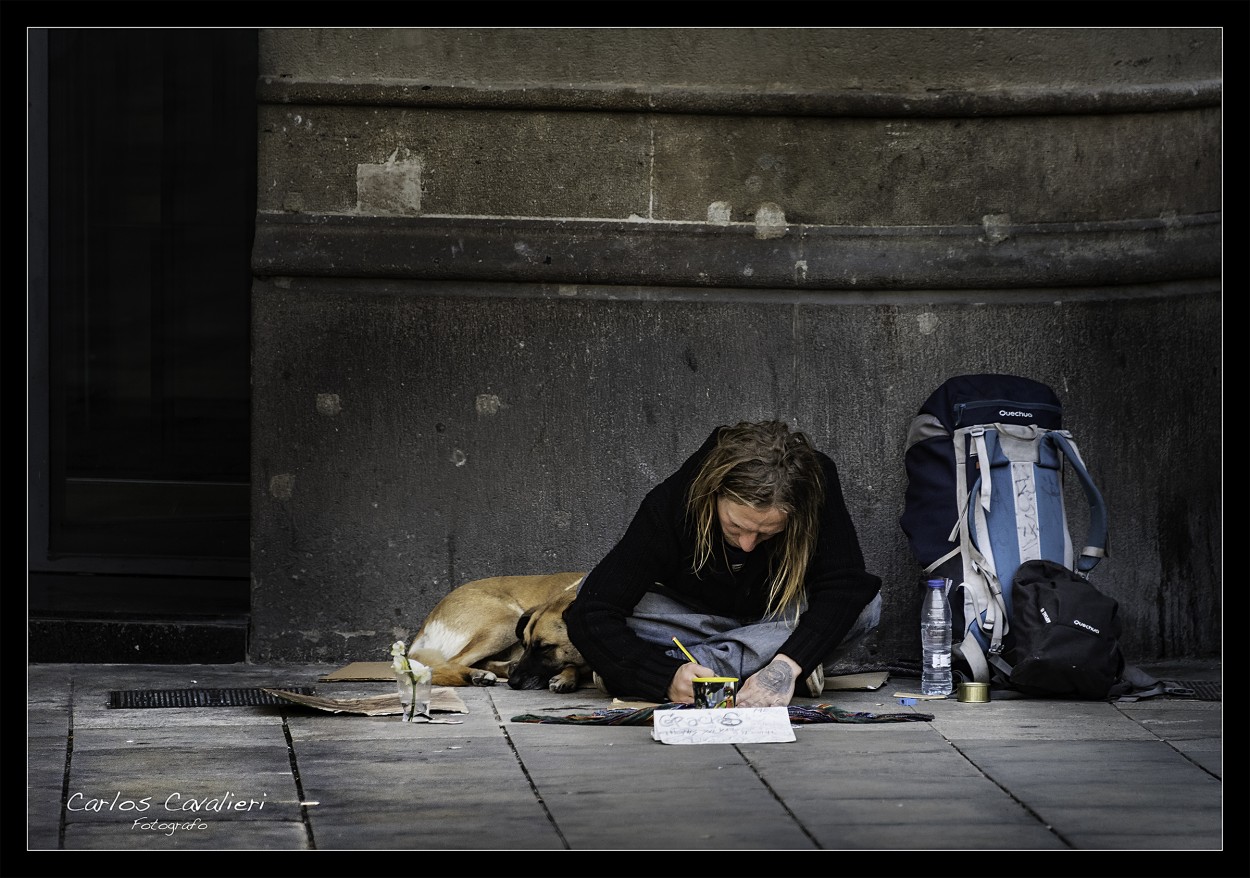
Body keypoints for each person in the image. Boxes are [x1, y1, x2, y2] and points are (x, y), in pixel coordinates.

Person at [564, 419, 883, 708]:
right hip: (692, 622)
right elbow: (592, 612)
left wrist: (786, 666)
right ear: (713, 494)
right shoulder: (673, 503)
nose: (747, 544)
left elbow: (845, 585)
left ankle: (712, 669)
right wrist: (664, 677)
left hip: (777, 618)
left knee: (865, 607)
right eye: (736, 527)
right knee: (593, 594)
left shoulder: (815, 486)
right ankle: (762, 663)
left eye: (767, 533)